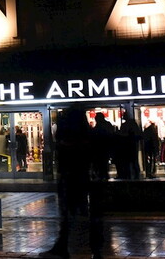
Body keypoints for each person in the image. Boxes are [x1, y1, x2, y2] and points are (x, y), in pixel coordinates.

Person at [44, 105, 102, 258]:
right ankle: (94, 248)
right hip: (82, 178)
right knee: (83, 215)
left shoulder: (69, 141)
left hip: (71, 179)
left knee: (69, 215)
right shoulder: (86, 137)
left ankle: (66, 246)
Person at [114, 114, 142, 180]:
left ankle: (129, 175)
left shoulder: (125, 125)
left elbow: (122, 135)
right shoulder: (133, 125)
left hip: (127, 146)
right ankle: (135, 175)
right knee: (133, 161)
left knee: (128, 162)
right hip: (132, 145)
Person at [90, 112, 115, 180]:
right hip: (104, 148)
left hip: (100, 149)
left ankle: (101, 177)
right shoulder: (107, 125)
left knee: (100, 164)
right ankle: (104, 177)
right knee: (103, 164)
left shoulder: (99, 127)